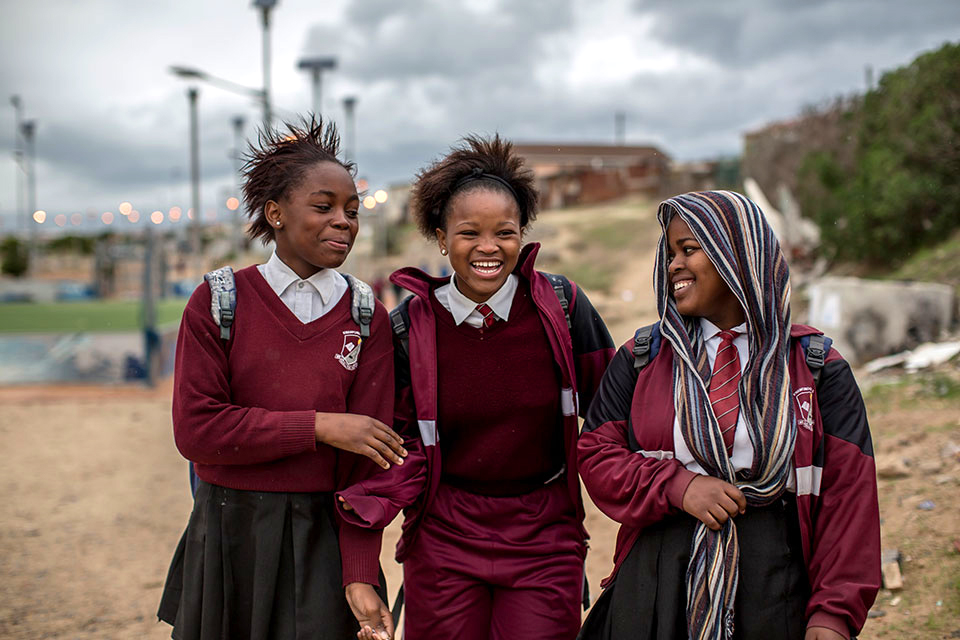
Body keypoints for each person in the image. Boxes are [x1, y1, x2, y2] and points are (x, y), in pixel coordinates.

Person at [336, 135, 616, 640]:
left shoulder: (565, 309)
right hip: (443, 536)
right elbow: (389, 451)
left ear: (522, 233)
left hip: (545, 534)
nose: (488, 248)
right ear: (441, 238)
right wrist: (359, 562)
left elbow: (614, 420)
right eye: (469, 232)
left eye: (504, 232)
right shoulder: (409, 329)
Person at [577, 190, 881, 640]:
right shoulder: (642, 357)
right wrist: (679, 486)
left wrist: (833, 613)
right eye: (670, 253)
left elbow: (849, 497)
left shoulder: (814, 367)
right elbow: (597, 455)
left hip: (774, 582)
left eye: (689, 249)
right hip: (658, 582)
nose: (673, 265)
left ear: (736, 254)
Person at [157, 117, 406, 640]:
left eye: (352, 211)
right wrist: (319, 427)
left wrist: (361, 572)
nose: (344, 222)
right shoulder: (218, 302)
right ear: (275, 214)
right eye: (324, 207)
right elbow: (198, 432)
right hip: (229, 530)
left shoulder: (367, 316)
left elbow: (371, 464)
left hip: (325, 538)